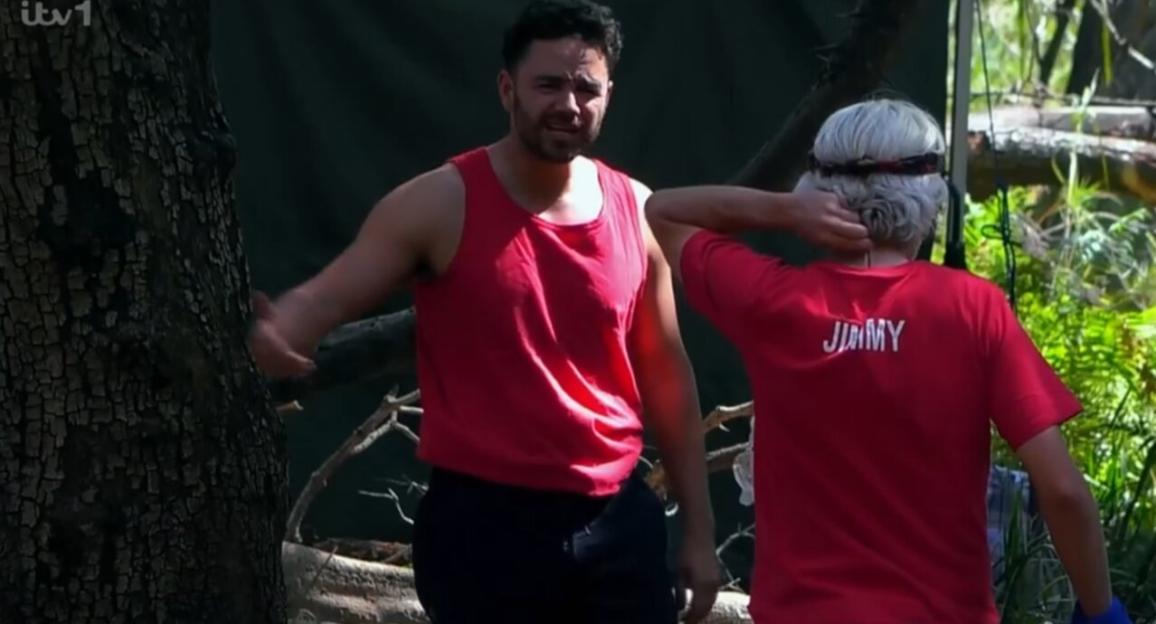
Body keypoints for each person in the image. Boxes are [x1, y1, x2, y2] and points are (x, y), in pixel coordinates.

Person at [248, 1, 722, 622]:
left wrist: (698, 531)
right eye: (549, 84)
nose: (569, 104)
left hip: (617, 521)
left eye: (587, 88)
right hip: (485, 531)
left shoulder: (636, 209)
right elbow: (330, 292)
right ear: (508, 89)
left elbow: (666, 374)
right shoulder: (439, 203)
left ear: (609, 95)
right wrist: (285, 326)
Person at [643, 98, 1132, 624]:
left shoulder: (771, 300)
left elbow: (663, 211)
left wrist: (787, 211)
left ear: (821, 194)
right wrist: (1101, 611)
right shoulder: (972, 309)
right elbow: (1061, 489)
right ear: (932, 197)